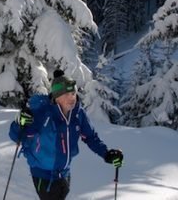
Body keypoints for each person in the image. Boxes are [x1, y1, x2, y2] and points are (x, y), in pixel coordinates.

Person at [9, 69, 123, 200]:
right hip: (43, 173)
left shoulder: (78, 114)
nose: (72, 98)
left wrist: (106, 153)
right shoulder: (42, 113)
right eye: (67, 94)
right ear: (57, 97)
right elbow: (16, 136)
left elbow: (91, 137)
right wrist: (20, 123)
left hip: (64, 172)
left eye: (73, 93)